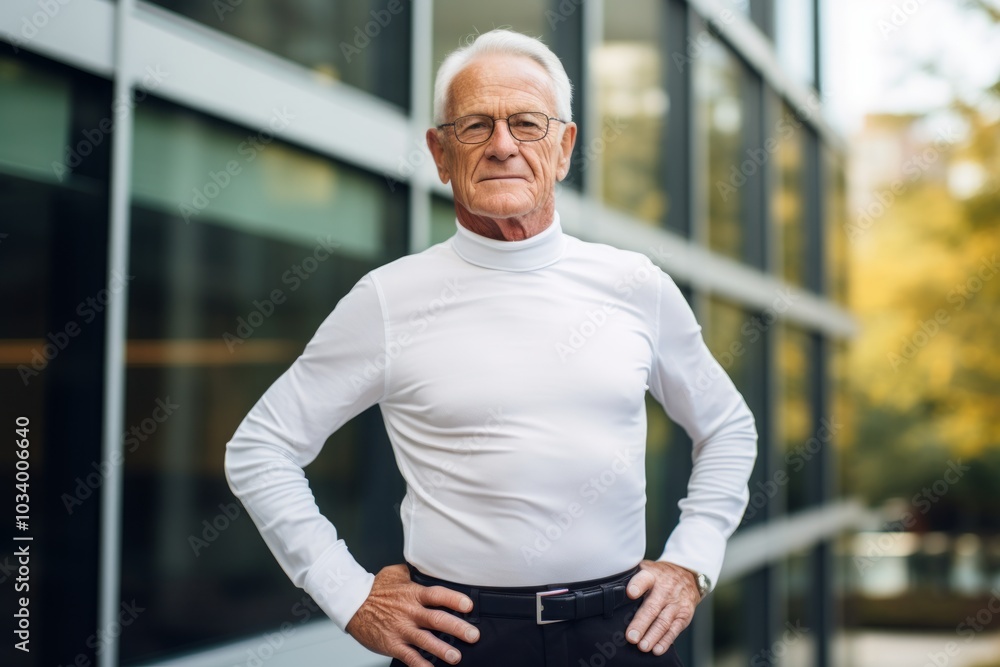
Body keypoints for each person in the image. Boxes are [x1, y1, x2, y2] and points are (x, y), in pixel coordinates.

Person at [225, 28, 757, 667]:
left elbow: (727, 427)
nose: (502, 145)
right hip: (457, 644)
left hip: (623, 636)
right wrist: (349, 594)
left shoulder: (635, 284)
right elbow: (261, 449)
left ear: (564, 148)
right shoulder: (388, 299)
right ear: (440, 153)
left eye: (527, 124)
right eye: (476, 125)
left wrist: (691, 562)